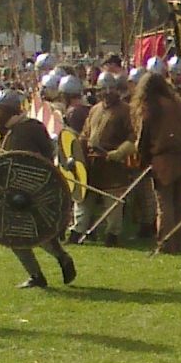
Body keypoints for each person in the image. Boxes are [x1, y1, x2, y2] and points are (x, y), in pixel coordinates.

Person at [0, 90, 78, 289]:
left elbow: (38, 160)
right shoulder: (19, 129)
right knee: (20, 234)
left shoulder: (28, 130)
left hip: (31, 193)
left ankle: (55, 262)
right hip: (20, 193)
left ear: (9, 111)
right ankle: (43, 270)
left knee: (28, 233)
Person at [130, 72, 181, 252]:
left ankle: (166, 243)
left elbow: (144, 138)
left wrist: (143, 158)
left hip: (163, 160)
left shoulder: (152, 107)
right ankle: (178, 242)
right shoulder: (179, 104)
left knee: (165, 204)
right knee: (178, 202)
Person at [74, 73, 134, 246]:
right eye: (103, 89)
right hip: (92, 164)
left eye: (110, 88)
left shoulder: (126, 110)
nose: (107, 92)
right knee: (84, 198)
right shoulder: (94, 109)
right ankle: (77, 231)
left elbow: (133, 136)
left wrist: (120, 152)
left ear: (117, 89)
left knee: (113, 203)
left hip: (112, 164)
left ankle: (112, 235)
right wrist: (78, 152)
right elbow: (85, 134)